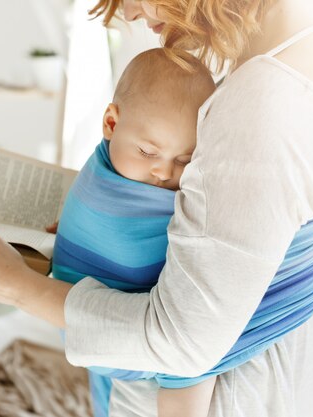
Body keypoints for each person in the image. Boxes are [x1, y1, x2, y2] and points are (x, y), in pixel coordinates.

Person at [0, 0, 313, 415]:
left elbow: (181, 341)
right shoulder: (294, 57)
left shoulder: (267, 103)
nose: (129, 12)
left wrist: (14, 286)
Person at [51, 47, 216, 417]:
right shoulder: (106, 181)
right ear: (111, 123)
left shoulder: (117, 164)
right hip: (111, 331)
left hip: (94, 337)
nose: (163, 173)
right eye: (148, 151)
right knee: (196, 361)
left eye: (185, 160)